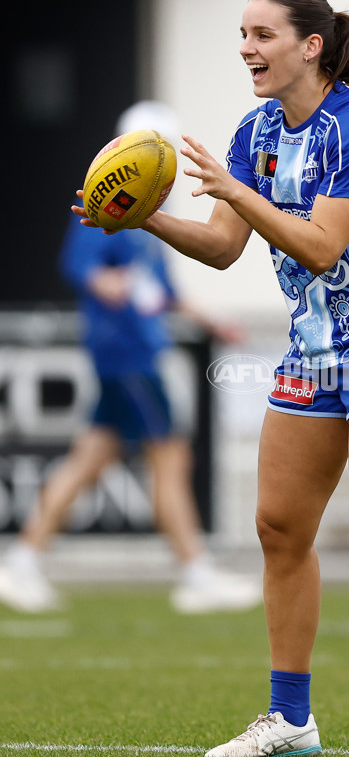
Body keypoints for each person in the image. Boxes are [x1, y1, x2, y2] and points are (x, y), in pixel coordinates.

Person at [73, 0, 349, 757]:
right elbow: (225, 247)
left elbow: (321, 246)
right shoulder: (255, 130)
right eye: (243, 33)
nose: (246, 49)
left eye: (262, 34)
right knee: (279, 527)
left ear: (310, 45)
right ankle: (290, 717)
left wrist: (236, 192)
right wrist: (146, 216)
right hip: (311, 351)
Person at [0, 104, 262, 617]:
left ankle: (23, 561)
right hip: (126, 353)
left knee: (89, 460)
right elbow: (80, 264)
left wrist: (211, 321)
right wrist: (106, 282)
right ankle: (195, 573)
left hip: (131, 352)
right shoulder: (111, 203)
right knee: (170, 457)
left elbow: (163, 294)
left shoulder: (145, 218)